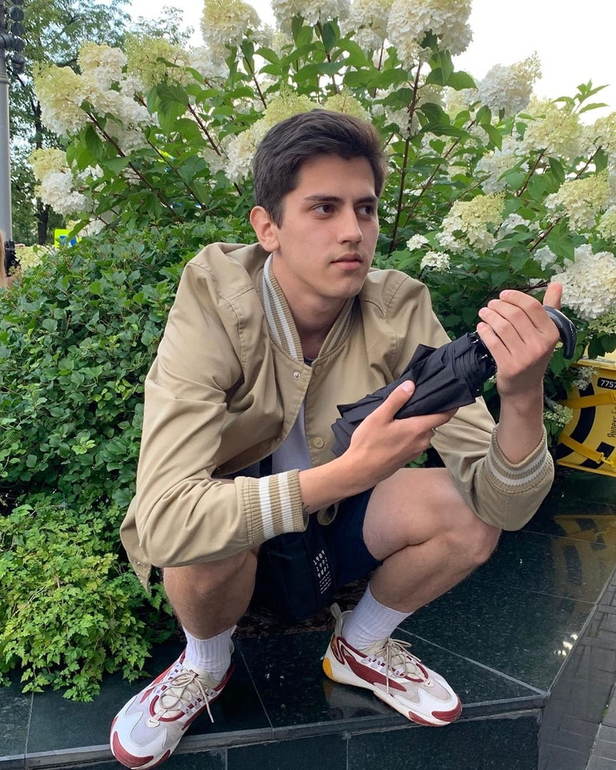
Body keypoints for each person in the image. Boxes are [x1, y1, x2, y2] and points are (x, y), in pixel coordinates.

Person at [110, 110, 560, 768]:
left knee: (466, 513)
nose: (353, 230)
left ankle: (361, 646)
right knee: (202, 536)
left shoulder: (398, 308)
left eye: (365, 209)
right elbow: (166, 521)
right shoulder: (214, 299)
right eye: (323, 208)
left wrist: (521, 395)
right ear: (267, 227)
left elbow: (505, 506)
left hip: (337, 526)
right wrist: (347, 473)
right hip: (240, 542)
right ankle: (204, 662)